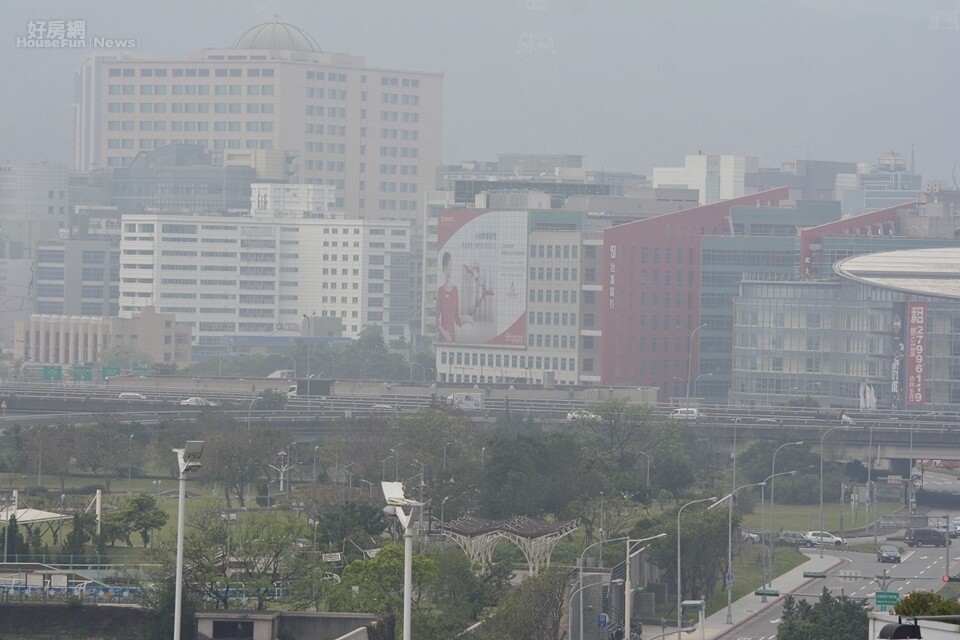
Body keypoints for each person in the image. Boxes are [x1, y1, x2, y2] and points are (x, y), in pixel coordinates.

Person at [436, 251, 468, 342]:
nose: (448, 271)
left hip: (452, 337)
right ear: (443, 270)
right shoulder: (440, 291)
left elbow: (457, 320)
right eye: (446, 268)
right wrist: (444, 332)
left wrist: (468, 320)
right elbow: (436, 320)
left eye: (450, 266)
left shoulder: (455, 290)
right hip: (443, 337)